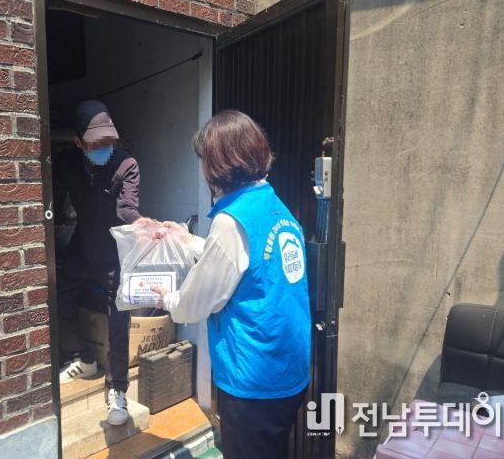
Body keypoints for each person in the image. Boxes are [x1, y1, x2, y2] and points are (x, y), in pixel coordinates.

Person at [151, 110, 312, 459]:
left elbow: (197, 301)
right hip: (289, 367)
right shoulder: (275, 206)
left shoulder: (229, 222)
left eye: (204, 160)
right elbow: (241, 263)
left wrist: (169, 300)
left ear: (218, 164)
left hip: (253, 378)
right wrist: (187, 239)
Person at [53, 100, 150, 426]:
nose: (103, 148)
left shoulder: (125, 165)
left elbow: (127, 209)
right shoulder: (66, 163)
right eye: (95, 143)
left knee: (118, 322)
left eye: (108, 141)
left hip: (113, 254)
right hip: (82, 248)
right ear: (78, 142)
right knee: (60, 298)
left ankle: (117, 389)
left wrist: (144, 225)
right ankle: (83, 358)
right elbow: (55, 200)